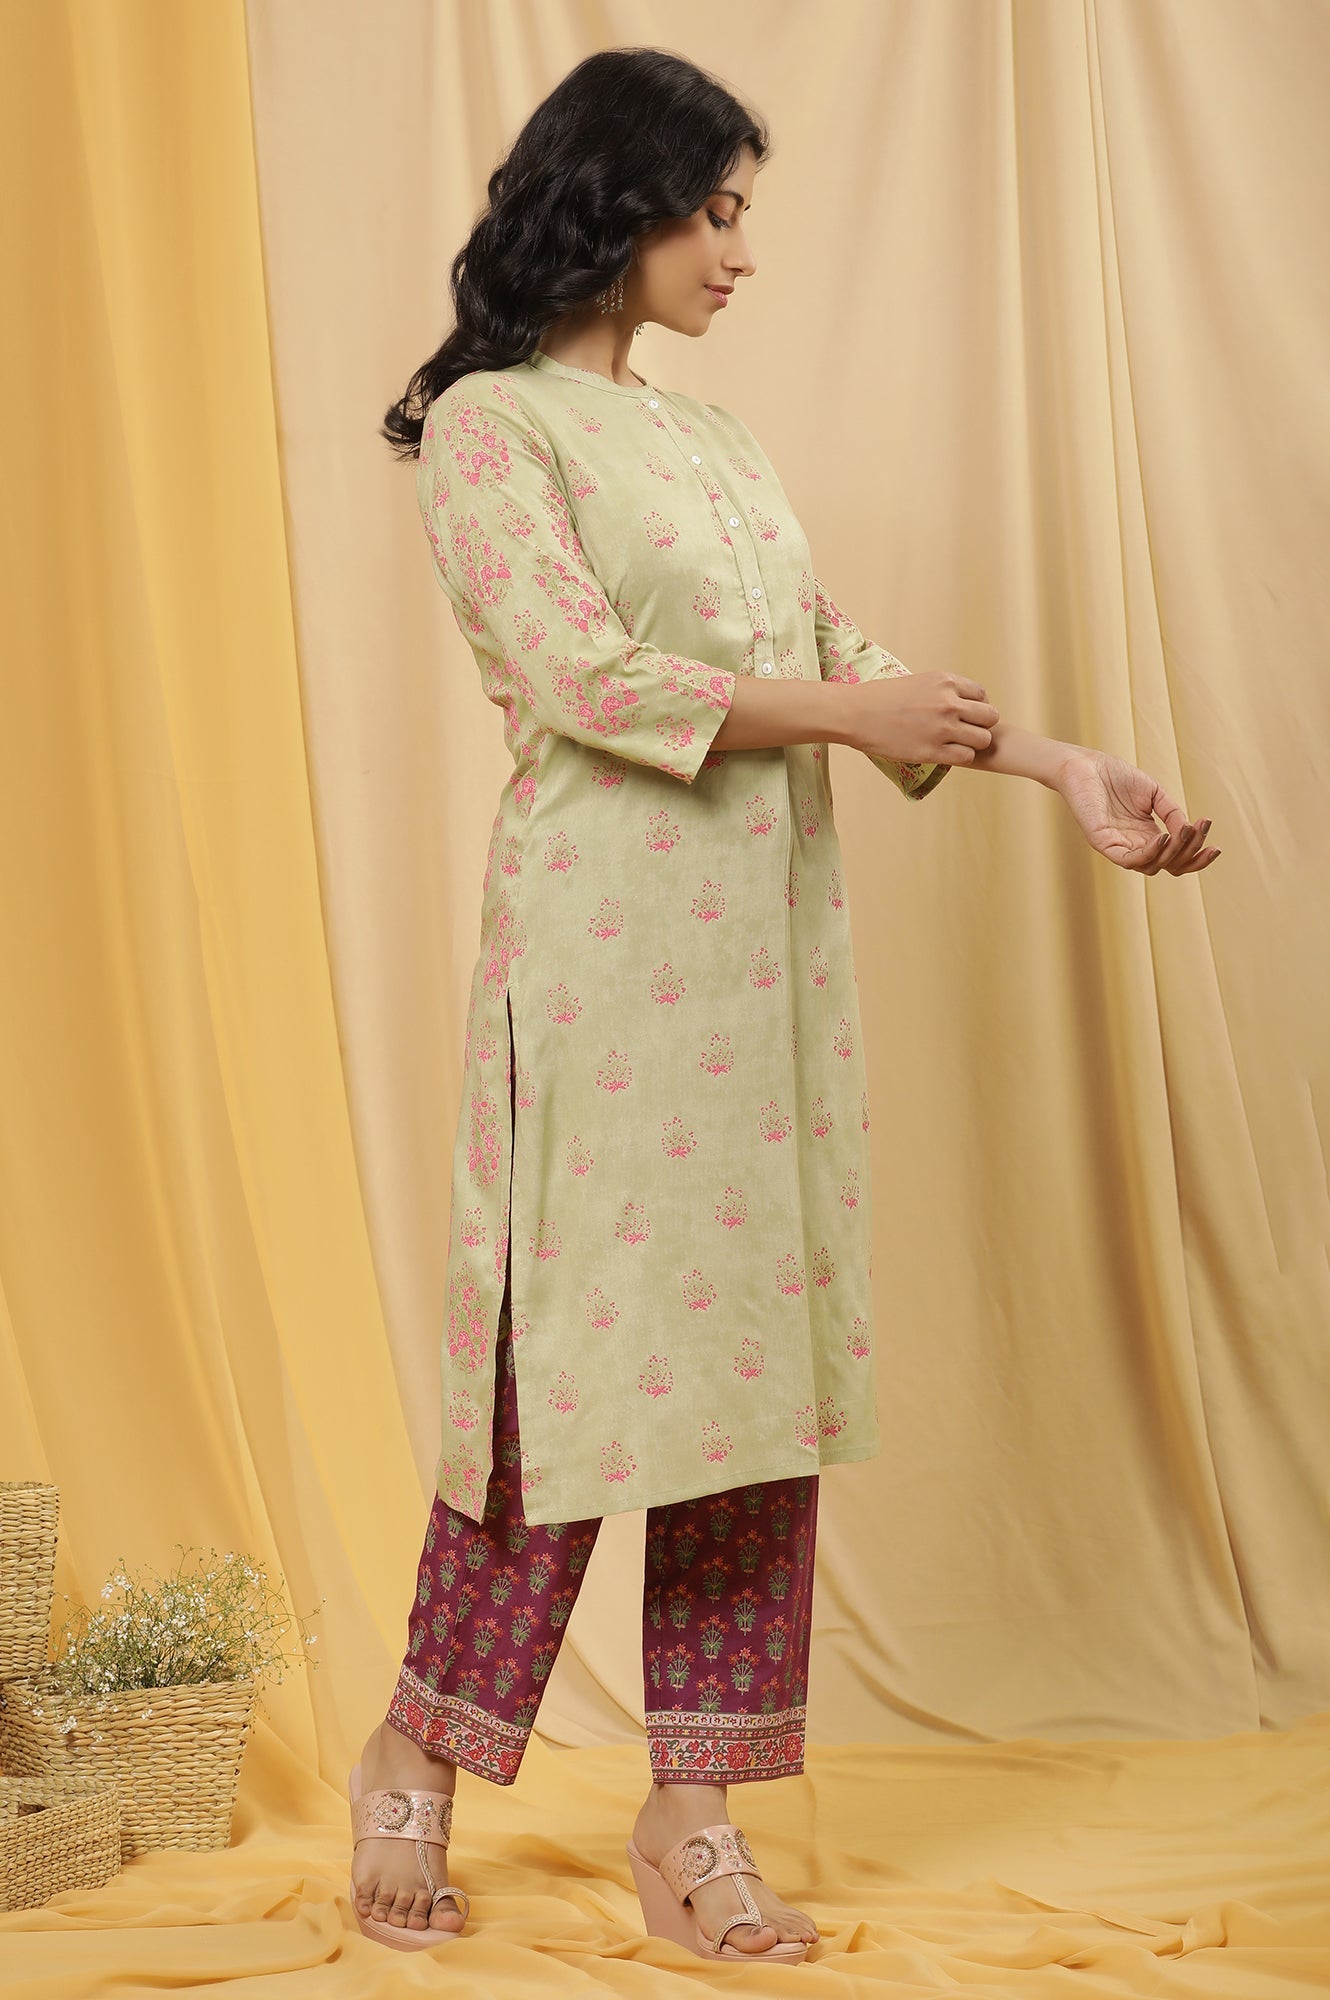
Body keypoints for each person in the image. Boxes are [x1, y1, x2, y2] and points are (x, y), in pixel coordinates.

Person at [351, 46, 1220, 1962]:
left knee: (747, 1382)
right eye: (713, 212)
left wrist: (1056, 764)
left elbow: (832, 652)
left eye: (741, 215)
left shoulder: (717, 442)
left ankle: (695, 1811)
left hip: (762, 973)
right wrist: (844, 712)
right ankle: (420, 1742)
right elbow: (583, 676)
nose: (738, 254)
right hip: (603, 965)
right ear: (618, 204)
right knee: (562, 1376)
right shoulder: (493, 427)